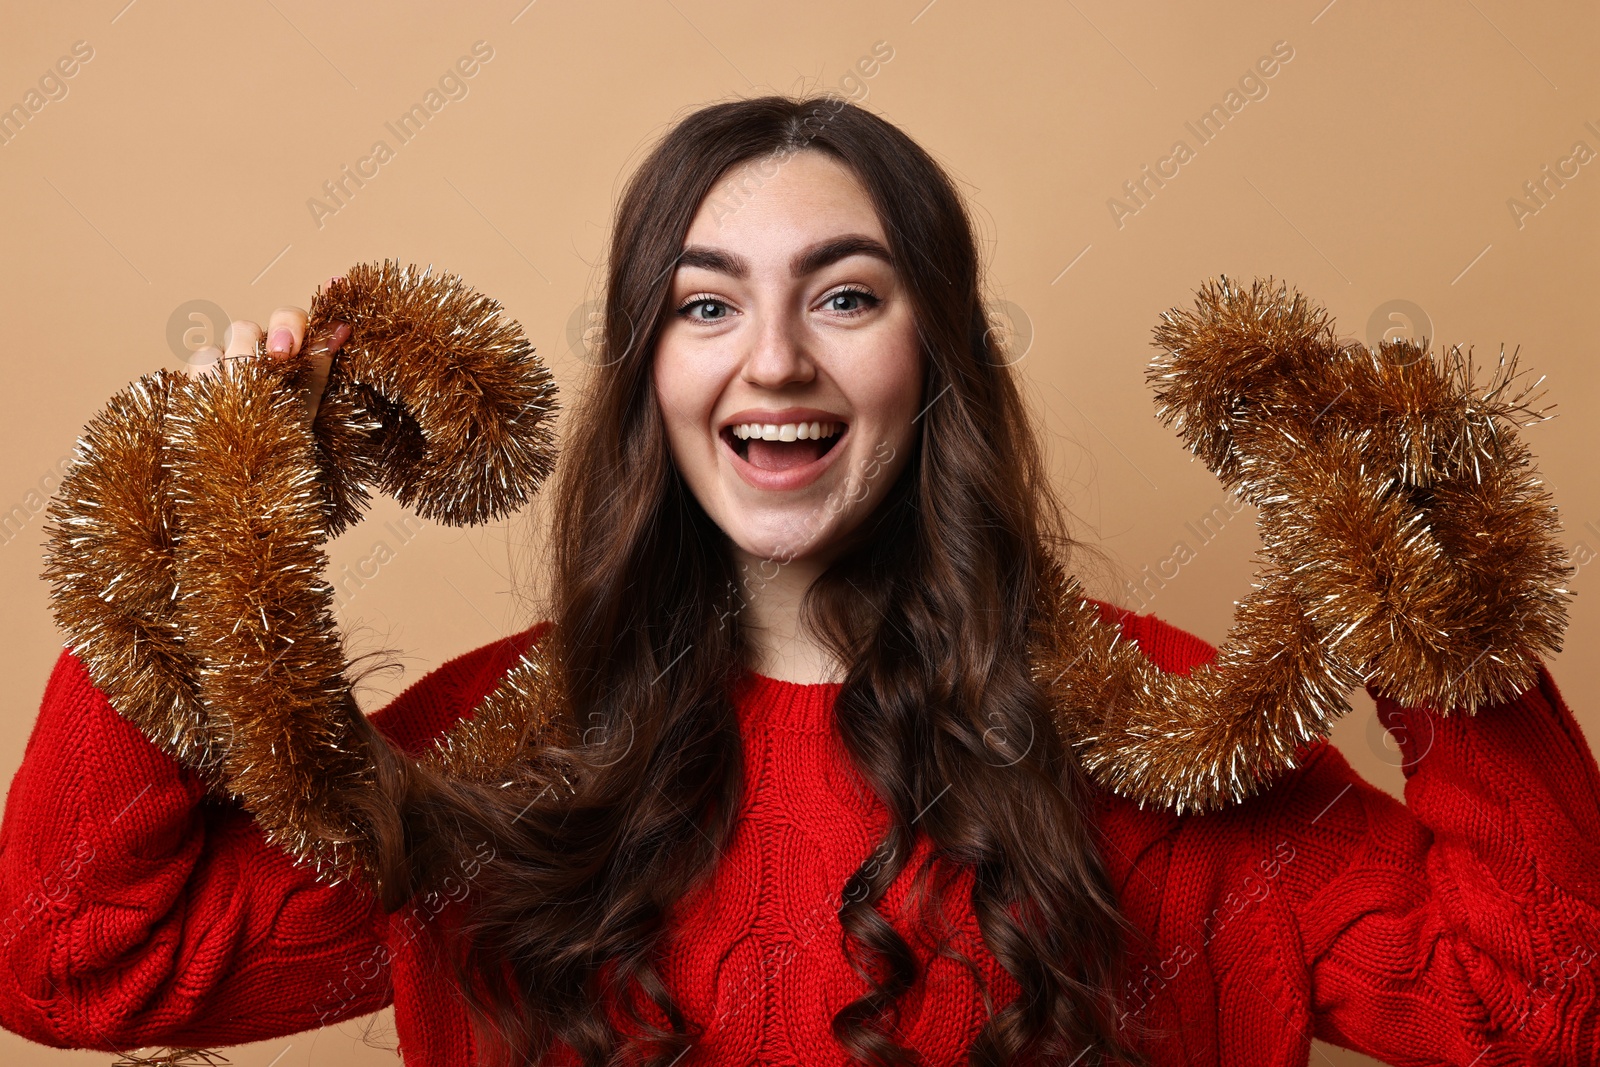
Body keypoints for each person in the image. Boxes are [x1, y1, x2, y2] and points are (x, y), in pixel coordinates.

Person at [2, 94, 1599, 1067]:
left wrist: (1428, 577)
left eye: (846, 294)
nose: (775, 359)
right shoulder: (507, 758)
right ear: (648, 375)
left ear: (939, 358)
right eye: (705, 307)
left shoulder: (1162, 743)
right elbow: (70, 962)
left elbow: (1547, 1007)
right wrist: (186, 534)